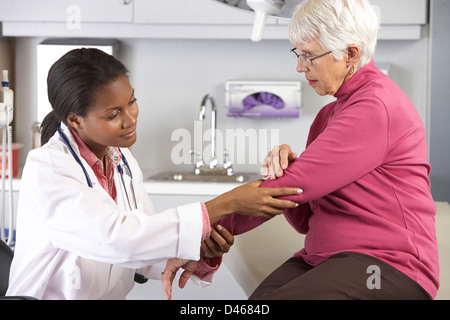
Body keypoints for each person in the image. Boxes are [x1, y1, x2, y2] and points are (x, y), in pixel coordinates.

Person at [167, 0, 439, 299]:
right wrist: (288, 169)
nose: (300, 66)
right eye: (299, 53)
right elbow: (303, 216)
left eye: (309, 55)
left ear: (350, 53)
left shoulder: (376, 105)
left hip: (387, 266)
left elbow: (291, 189)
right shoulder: (329, 115)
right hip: (322, 257)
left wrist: (197, 233)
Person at [6, 48, 301, 300]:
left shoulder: (122, 161)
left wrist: (201, 253)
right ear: (75, 120)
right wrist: (226, 203)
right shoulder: (48, 167)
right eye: (113, 114)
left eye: (132, 102)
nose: (130, 118)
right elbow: (117, 239)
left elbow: (146, 249)